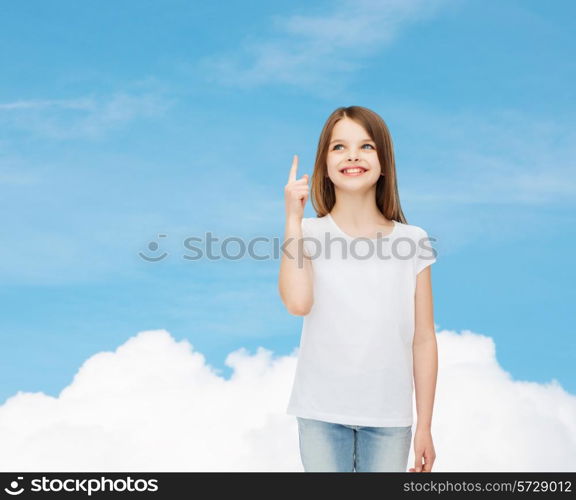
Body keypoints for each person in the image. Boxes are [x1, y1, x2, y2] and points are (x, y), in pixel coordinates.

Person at [278, 106, 438, 473]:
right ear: (324, 164)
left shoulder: (413, 241)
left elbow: (423, 339)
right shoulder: (308, 233)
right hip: (320, 412)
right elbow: (299, 303)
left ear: (384, 163)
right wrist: (291, 219)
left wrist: (424, 426)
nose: (352, 155)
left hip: (389, 418)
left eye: (366, 146)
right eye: (339, 147)